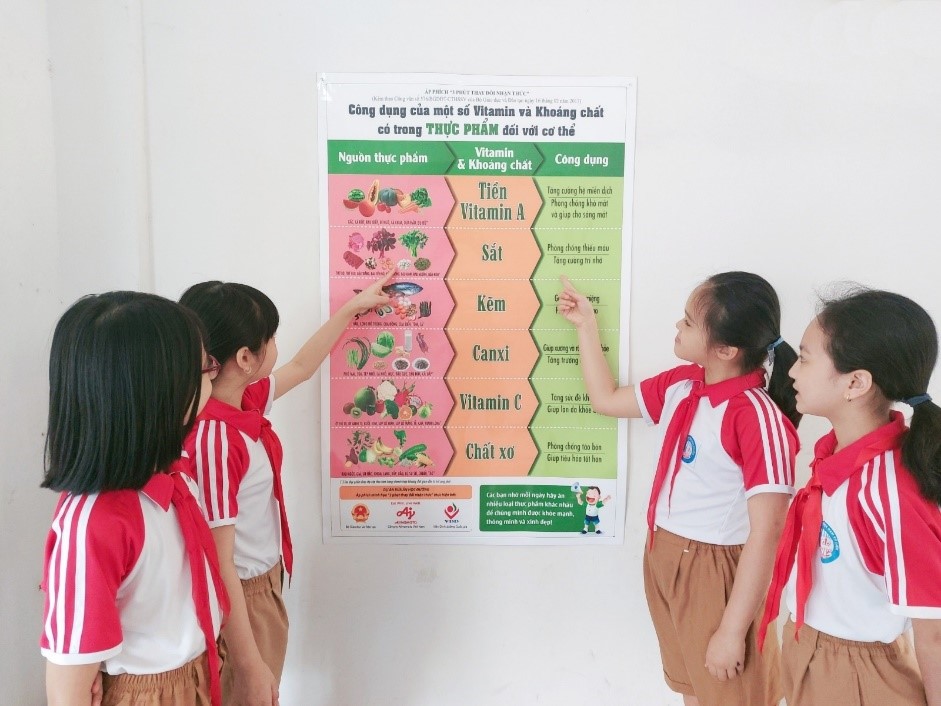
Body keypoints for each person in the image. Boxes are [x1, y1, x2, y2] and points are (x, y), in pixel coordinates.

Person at [558, 271, 800, 706]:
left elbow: (769, 532)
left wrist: (731, 630)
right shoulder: (684, 383)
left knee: (731, 694)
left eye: (688, 322)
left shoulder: (755, 417)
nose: (677, 326)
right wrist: (586, 327)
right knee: (693, 686)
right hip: (664, 554)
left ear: (726, 349)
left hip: (717, 569)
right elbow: (607, 399)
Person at [180, 273, 391, 706]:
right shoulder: (216, 439)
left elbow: (300, 366)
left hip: (263, 587)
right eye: (269, 337)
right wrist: (251, 665)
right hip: (240, 599)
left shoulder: (245, 400)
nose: (275, 344)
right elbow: (220, 562)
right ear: (244, 357)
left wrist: (352, 308)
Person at [40, 291, 229, 706]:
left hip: (201, 670)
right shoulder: (93, 520)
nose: (212, 377)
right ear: (159, 390)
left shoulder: (175, 477)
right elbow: (69, 673)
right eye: (204, 367)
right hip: (149, 692)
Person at [759, 287, 941, 706]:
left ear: (855, 383)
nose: (792, 373)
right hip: (807, 646)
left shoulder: (892, 491)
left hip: (860, 676)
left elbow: (932, 631)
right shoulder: (834, 460)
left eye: (804, 358)